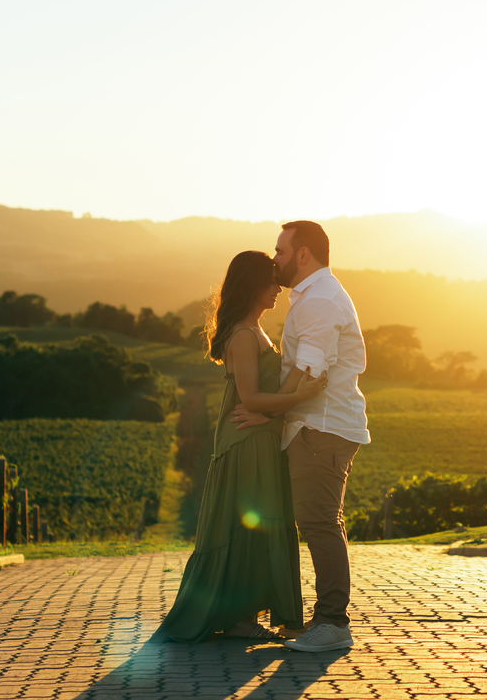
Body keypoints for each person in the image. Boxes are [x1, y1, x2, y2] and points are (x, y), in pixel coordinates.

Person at [152, 250, 328, 643]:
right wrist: (301, 396)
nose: (277, 287)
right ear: (251, 286)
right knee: (250, 526)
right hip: (245, 441)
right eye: (270, 281)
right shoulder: (245, 335)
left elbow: (262, 398)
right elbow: (250, 400)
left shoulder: (255, 329)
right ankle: (239, 619)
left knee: (257, 526)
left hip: (258, 437)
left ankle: (241, 619)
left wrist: (290, 393)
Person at [232, 220, 368, 653]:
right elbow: (300, 375)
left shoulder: (320, 301)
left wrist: (264, 411)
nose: (275, 259)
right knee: (318, 520)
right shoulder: (313, 297)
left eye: (281, 251)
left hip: (321, 427)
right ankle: (325, 618)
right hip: (312, 425)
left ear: (303, 254)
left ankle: (332, 623)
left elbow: (307, 374)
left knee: (320, 522)